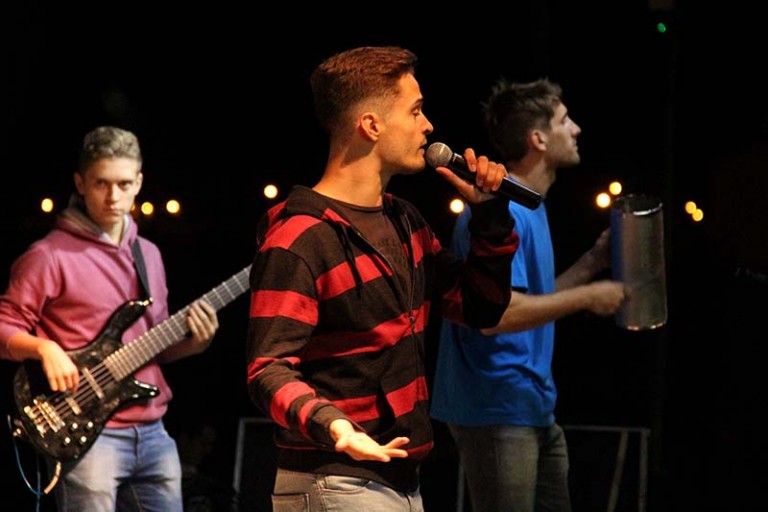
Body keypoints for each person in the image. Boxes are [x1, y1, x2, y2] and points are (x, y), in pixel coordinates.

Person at [244, 46, 519, 511]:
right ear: (371, 126)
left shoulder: (404, 221)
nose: (427, 125)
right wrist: (335, 426)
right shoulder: (299, 237)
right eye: (415, 110)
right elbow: (266, 368)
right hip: (334, 477)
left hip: (399, 477)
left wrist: (490, 216)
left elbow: (480, 308)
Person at [429, 78, 627, 512]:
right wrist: (588, 297)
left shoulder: (530, 205)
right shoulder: (500, 210)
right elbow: (497, 317)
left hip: (531, 405)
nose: (576, 129)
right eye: (564, 121)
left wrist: (593, 262)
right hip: (496, 404)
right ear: (538, 138)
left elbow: (535, 299)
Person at [0, 126, 220, 511]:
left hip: (153, 430)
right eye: (101, 183)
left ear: (139, 183)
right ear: (80, 184)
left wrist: (195, 345)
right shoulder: (49, 255)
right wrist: (44, 348)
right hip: (87, 434)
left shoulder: (148, 254)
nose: (113, 197)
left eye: (123, 184)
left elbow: (153, 347)